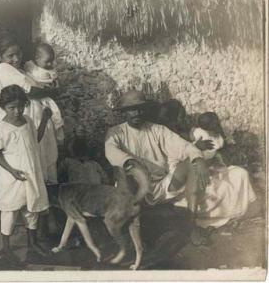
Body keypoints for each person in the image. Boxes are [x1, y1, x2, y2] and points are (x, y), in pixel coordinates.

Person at [105, 90, 255, 245]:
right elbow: (111, 151)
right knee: (123, 172)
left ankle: (192, 224)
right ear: (124, 112)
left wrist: (198, 159)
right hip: (135, 185)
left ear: (144, 109)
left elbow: (183, 146)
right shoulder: (116, 133)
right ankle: (130, 224)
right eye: (131, 110)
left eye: (139, 108)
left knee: (193, 164)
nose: (136, 113)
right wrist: (129, 162)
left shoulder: (157, 130)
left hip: (163, 184)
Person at [0, 85, 50, 261]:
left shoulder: (28, 122)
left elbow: (35, 139)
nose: (16, 111)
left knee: (32, 208)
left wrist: (45, 120)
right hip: (13, 176)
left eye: (20, 107)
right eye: (11, 108)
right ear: (3, 108)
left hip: (31, 173)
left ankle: (33, 243)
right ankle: (6, 247)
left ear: (25, 105)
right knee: (11, 210)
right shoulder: (3, 129)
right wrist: (11, 171)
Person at [183, 111, 256, 228]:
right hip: (200, 168)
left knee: (241, 173)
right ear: (204, 126)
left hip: (217, 166)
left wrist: (222, 160)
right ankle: (213, 215)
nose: (216, 126)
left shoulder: (219, 136)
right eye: (213, 125)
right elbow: (188, 150)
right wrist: (196, 145)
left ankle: (237, 209)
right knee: (215, 187)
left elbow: (221, 152)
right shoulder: (198, 133)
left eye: (217, 123)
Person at [24, 42, 65, 182]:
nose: (49, 64)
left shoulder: (52, 70)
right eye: (46, 61)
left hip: (46, 102)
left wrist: (51, 87)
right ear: (36, 58)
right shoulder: (29, 67)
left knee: (49, 138)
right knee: (37, 137)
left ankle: (50, 178)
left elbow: (56, 85)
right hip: (34, 106)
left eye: (51, 61)